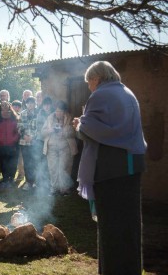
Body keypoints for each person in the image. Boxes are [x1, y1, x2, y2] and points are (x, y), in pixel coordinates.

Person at [73, 61, 146, 275]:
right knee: (129, 225)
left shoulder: (102, 95)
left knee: (111, 227)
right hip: (132, 166)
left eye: (89, 82)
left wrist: (79, 125)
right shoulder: (127, 92)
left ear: (98, 78)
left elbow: (92, 131)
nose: (89, 87)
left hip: (111, 168)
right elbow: (114, 128)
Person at [42, 101, 77, 195]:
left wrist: (64, 131)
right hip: (51, 147)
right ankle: (54, 188)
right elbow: (42, 132)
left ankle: (64, 188)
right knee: (53, 168)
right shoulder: (49, 118)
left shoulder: (70, 118)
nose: (58, 113)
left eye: (61, 111)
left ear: (64, 111)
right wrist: (51, 130)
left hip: (65, 147)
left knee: (64, 168)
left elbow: (75, 132)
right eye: (57, 111)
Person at [0, 102, 20, 189]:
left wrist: (14, 139)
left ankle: (11, 178)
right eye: (3, 107)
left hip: (13, 145)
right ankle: (5, 179)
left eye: (6, 106)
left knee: (12, 163)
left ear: (9, 107)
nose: (5, 108)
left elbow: (18, 131)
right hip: (1, 145)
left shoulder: (14, 118)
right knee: (3, 163)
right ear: (0, 108)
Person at [18, 96, 37, 190]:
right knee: (26, 162)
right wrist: (24, 135)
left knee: (34, 162)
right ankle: (28, 182)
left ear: (35, 104)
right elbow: (19, 126)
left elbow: (39, 127)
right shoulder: (22, 114)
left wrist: (32, 137)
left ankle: (35, 182)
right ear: (26, 104)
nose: (30, 105)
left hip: (34, 143)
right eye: (28, 103)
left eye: (32, 103)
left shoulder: (38, 113)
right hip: (24, 142)